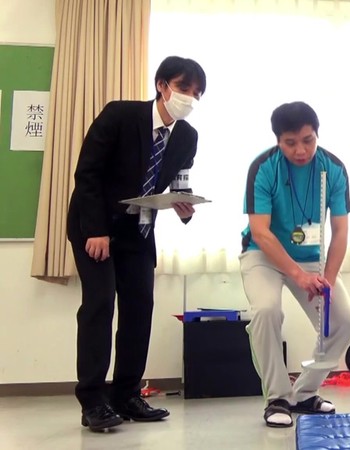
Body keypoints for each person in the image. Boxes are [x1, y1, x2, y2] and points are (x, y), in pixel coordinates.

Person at [67, 56, 206, 432]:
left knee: (140, 308)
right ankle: (92, 400)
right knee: (99, 305)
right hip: (95, 225)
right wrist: (96, 230)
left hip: (139, 230)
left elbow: (180, 182)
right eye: (184, 88)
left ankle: (126, 394)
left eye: (197, 93)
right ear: (162, 85)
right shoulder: (120, 115)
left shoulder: (187, 136)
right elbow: (88, 174)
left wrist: (185, 205)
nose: (190, 98)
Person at [239, 101, 350, 428]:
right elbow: (261, 232)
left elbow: (340, 231)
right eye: (290, 143)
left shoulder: (333, 169)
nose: (301, 150)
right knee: (266, 311)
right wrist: (297, 275)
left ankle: (304, 393)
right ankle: (277, 397)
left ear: (317, 135)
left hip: (311, 259)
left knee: (344, 321)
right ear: (278, 140)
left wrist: (327, 280)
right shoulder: (263, 168)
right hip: (263, 255)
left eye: (308, 140)